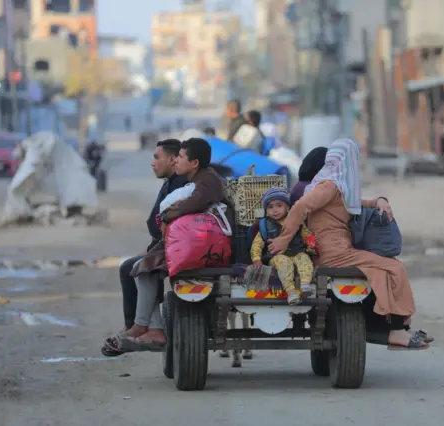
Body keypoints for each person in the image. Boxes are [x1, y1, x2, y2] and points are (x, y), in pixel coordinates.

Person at [268, 139, 430, 350]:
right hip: (334, 252)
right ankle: (397, 330)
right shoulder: (330, 186)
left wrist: (379, 200)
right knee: (394, 267)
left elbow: (355, 203)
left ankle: (392, 328)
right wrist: (284, 239)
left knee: (383, 271)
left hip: (340, 249)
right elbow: (300, 207)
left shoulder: (335, 185)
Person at [119, 138, 230, 352]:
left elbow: (194, 204)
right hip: (190, 242)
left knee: (143, 269)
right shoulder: (194, 178)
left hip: (200, 245)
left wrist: (169, 214)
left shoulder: (206, 180)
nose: (177, 161)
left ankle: (144, 326)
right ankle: (146, 326)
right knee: (141, 269)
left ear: (194, 162)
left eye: (180, 157)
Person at [101, 139, 188, 356]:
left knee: (140, 268)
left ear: (172, 159)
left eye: (156, 157)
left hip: (176, 248)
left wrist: (154, 251)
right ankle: (139, 327)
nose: (152, 163)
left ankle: (141, 328)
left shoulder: (181, 184)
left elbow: (173, 225)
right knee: (129, 266)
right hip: (162, 246)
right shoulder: (170, 182)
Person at [250, 188, 317, 305]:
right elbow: (257, 244)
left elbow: (306, 234)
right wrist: (256, 259)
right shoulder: (265, 226)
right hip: (277, 256)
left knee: (304, 259)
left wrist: (311, 245)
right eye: (270, 207)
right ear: (266, 211)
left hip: (297, 252)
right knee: (284, 263)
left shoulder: (296, 221)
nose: (275, 210)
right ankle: (291, 292)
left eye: (279, 205)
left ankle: (305, 286)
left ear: (288, 207)